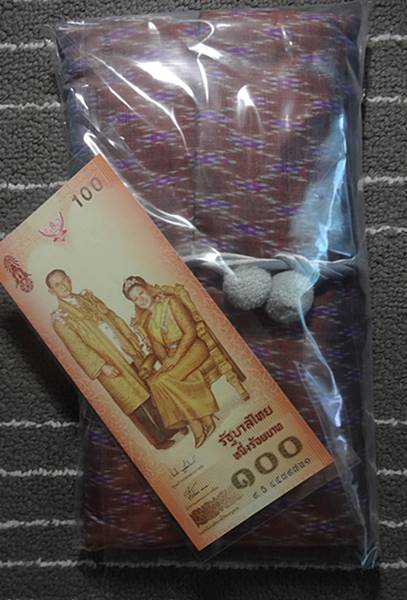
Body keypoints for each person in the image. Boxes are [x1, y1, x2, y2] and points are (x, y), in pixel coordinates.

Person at [46, 269, 174, 450]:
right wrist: (102, 366)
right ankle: (158, 439)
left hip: (124, 349)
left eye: (64, 280)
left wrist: (129, 336)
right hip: (108, 361)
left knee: (149, 387)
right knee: (134, 401)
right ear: (52, 291)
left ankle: (170, 426)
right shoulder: (61, 319)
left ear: (69, 279)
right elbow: (78, 348)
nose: (63, 286)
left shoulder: (88, 298)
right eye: (57, 285)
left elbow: (112, 317)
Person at [122, 276, 219, 448]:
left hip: (193, 347)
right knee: (156, 382)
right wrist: (162, 361)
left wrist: (175, 357)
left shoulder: (170, 302)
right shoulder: (148, 322)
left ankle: (197, 425)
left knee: (165, 380)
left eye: (141, 293)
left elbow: (190, 331)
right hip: (175, 356)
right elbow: (159, 352)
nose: (141, 299)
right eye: (135, 299)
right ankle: (204, 418)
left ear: (147, 289)